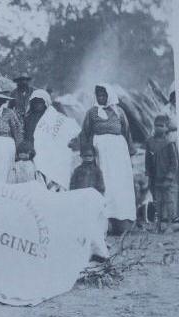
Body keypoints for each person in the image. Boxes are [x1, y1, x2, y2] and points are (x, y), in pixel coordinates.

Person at [80, 83, 136, 234]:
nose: (101, 98)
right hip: (101, 153)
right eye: (99, 95)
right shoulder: (92, 113)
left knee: (120, 185)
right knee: (105, 183)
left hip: (119, 154)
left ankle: (122, 220)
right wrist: (86, 151)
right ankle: (105, 221)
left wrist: (130, 153)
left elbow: (126, 131)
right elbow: (85, 133)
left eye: (104, 95)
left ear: (109, 95)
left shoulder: (119, 112)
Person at [26, 89, 80, 191]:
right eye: (35, 102)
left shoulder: (54, 116)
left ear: (45, 103)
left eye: (40, 102)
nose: (38, 105)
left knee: (57, 160)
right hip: (36, 150)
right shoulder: (28, 118)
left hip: (53, 149)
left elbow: (66, 128)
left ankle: (57, 188)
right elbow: (28, 135)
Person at [145, 115, 178, 225]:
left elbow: (174, 163)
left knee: (169, 200)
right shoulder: (149, 142)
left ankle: (169, 223)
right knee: (157, 201)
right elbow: (147, 159)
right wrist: (148, 174)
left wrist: (169, 177)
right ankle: (158, 224)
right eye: (156, 125)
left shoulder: (169, 143)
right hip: (155, 178)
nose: (159, 128)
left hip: (167, 178)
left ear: (166, 128)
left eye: (161, 126)